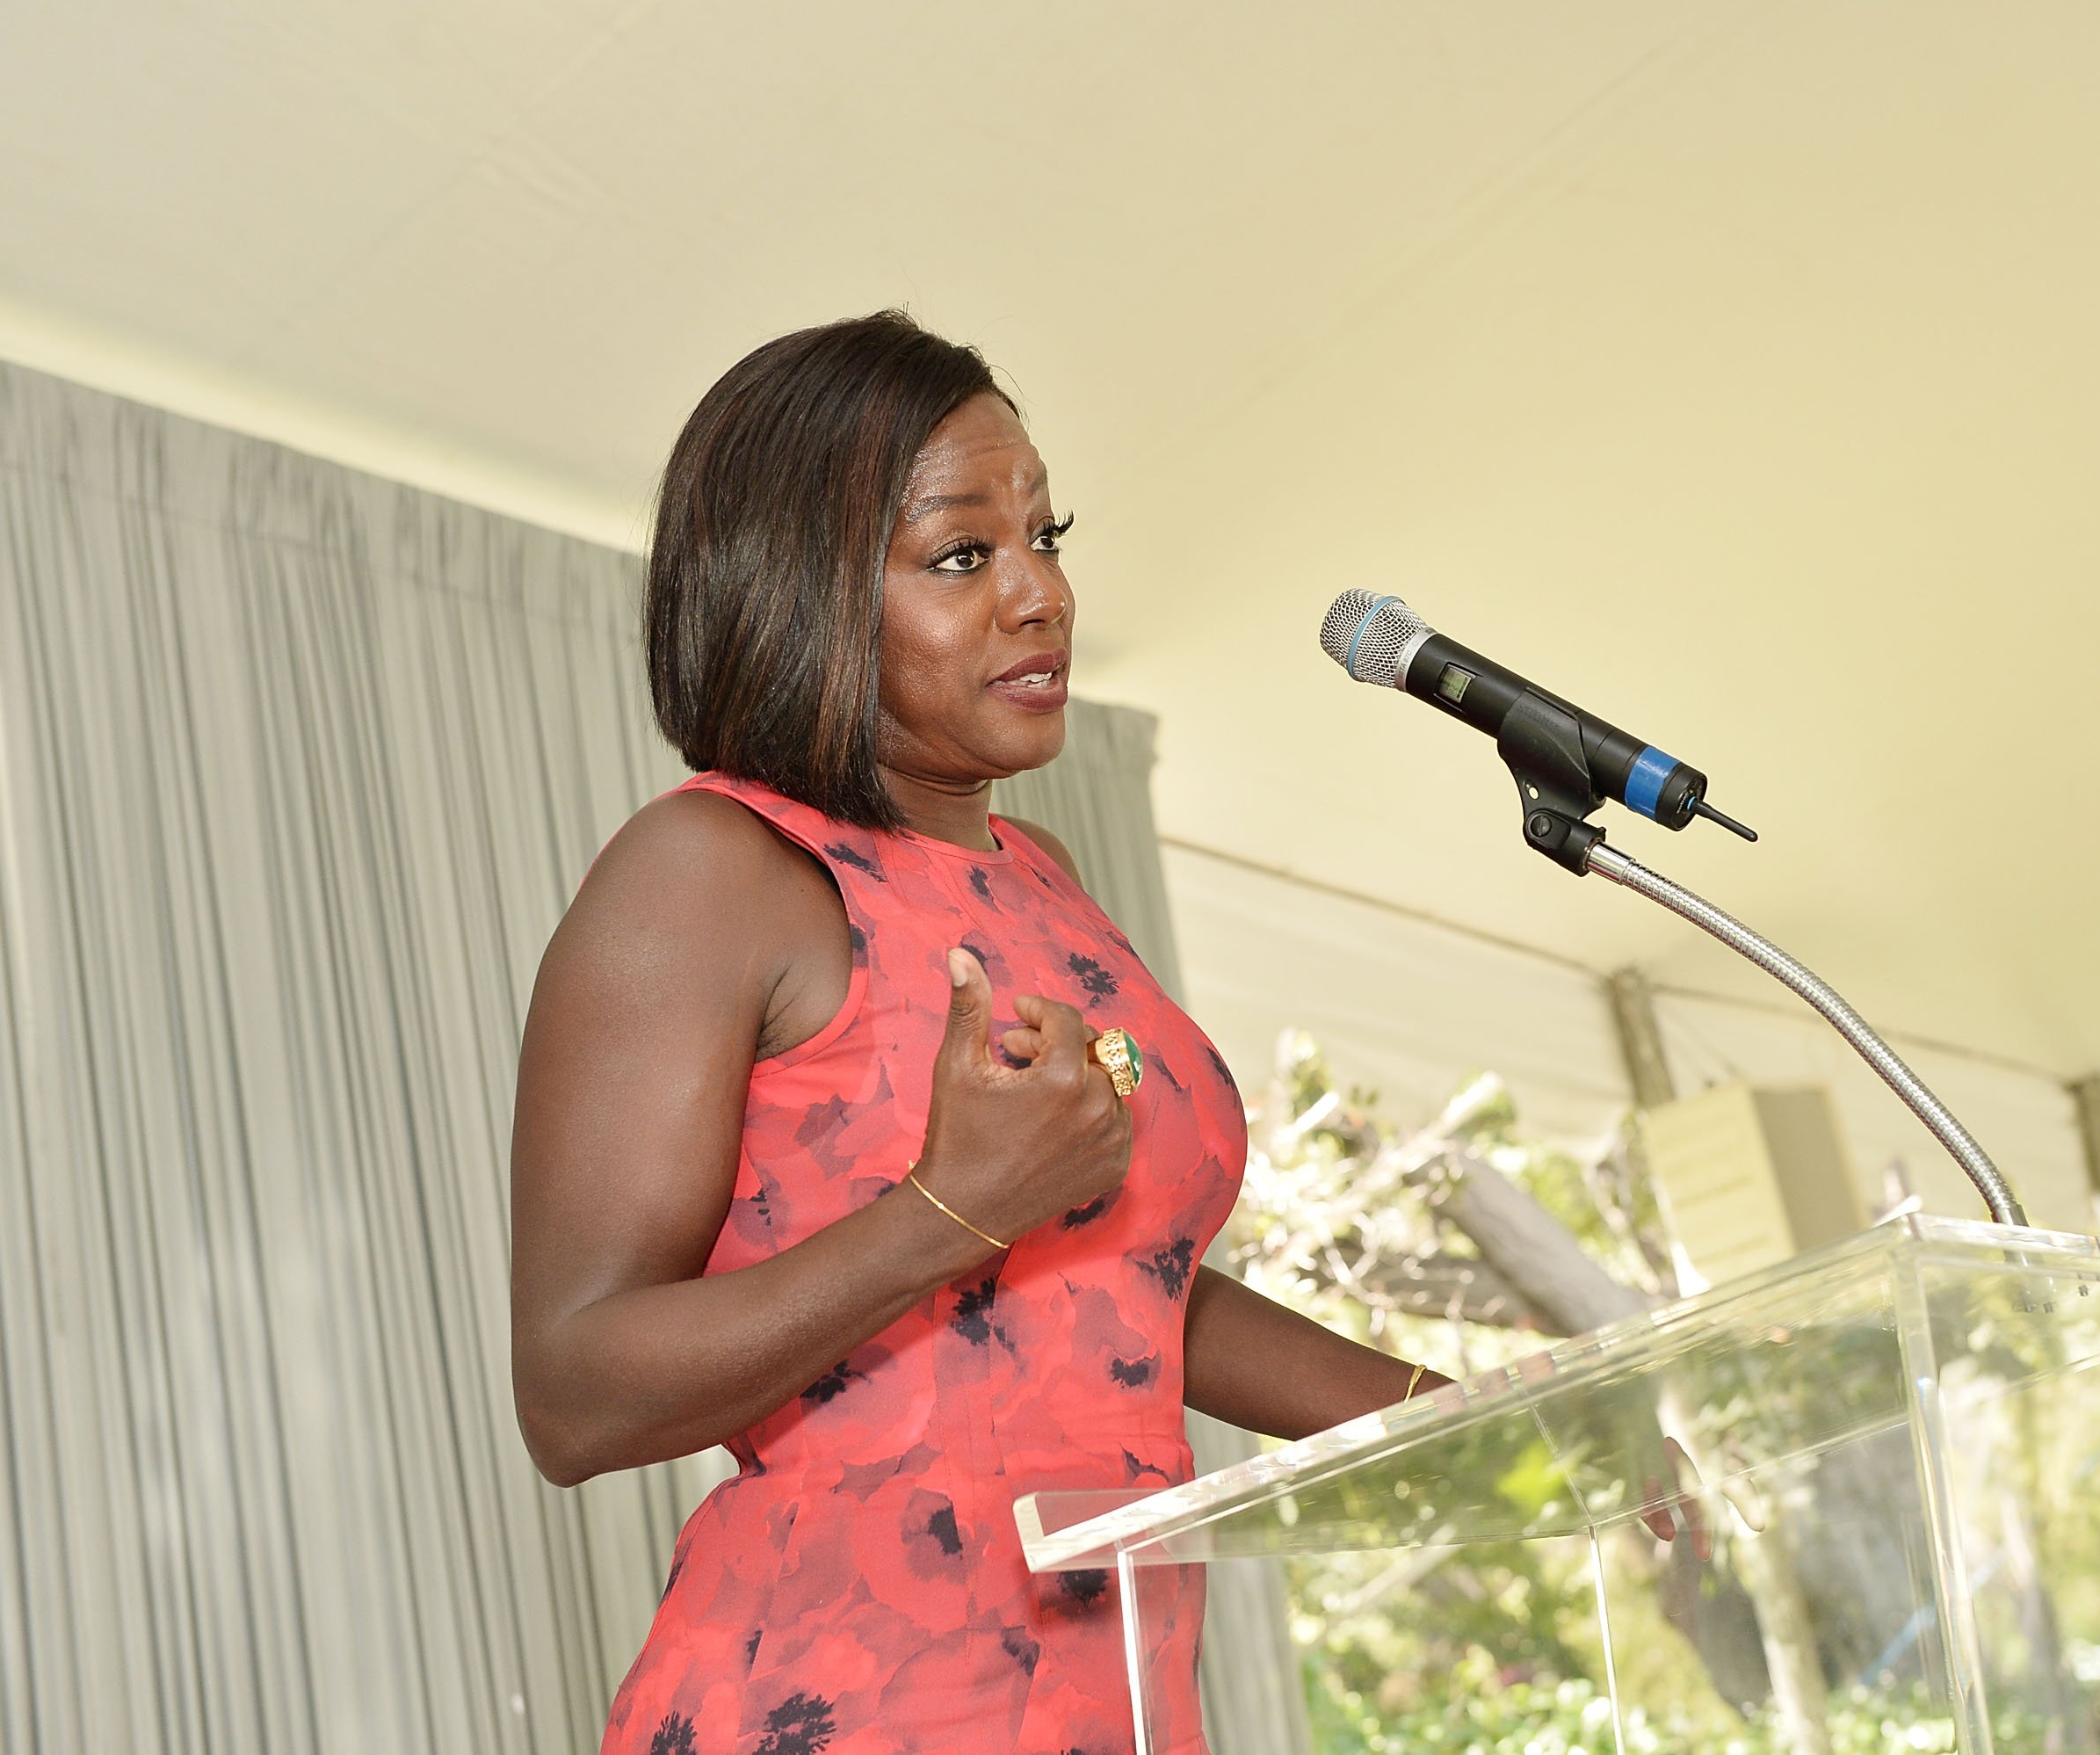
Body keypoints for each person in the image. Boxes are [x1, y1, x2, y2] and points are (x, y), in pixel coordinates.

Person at [509, 311, 1449, 1754]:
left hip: (1110, 1694)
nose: (1041, 595)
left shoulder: (1050, 884)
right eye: (964, 556)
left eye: (1046, 536)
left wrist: (1463, 1421)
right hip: (838, 1703)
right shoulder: (711, 874)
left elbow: (1115, 1293)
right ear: (803, 593)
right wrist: (951, 1210)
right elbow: (573, 1391)